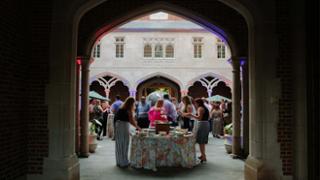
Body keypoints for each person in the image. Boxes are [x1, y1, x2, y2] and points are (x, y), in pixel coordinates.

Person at [114, 97, 141, 168]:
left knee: (119, 144)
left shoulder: (121, 109)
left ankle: (119, 161)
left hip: (118, 126)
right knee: (125, 143)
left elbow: (115, 119)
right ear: (131, 103)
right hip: (124, 126)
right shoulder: (128, 110)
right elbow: (131, 121)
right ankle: (124, 162)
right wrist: (138, 128)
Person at [186, 98, 210, 163]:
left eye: (195, 103)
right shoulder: (203, 108)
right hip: (205, 124)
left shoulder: (200, 108)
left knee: (201, 141)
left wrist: (191, 115)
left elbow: (199, 117)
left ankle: (204, 156)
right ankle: (203, 155)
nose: (195, 104)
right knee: (201, 141)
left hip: (202, 124)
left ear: (198, 103)